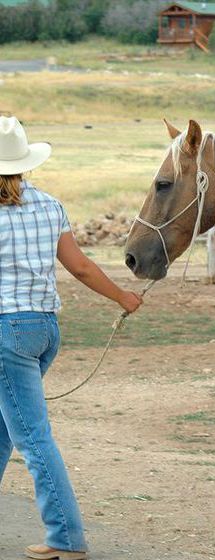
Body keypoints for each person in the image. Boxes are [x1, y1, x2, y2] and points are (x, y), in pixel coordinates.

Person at [0, 116, 143, 560]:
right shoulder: (49, 205)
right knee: (7, 428)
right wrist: (123, 296)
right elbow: (79, 267)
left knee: (32, 438)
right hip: (44, 329)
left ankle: (66, 538)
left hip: (4, 332)